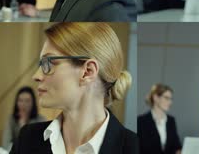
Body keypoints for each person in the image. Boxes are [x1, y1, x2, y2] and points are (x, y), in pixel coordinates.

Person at [10, 23, 137, 154]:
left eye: (48, 63)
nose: (36, 76)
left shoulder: (134, 147)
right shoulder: (27, 139)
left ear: (87, 71)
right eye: (41, 64)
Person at [138, 84, 182, 154]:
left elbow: (176, 146)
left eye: (171, 99)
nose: (170, 102)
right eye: (167, 98)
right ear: (156, 98)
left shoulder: (171, 120)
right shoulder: (141, 121)